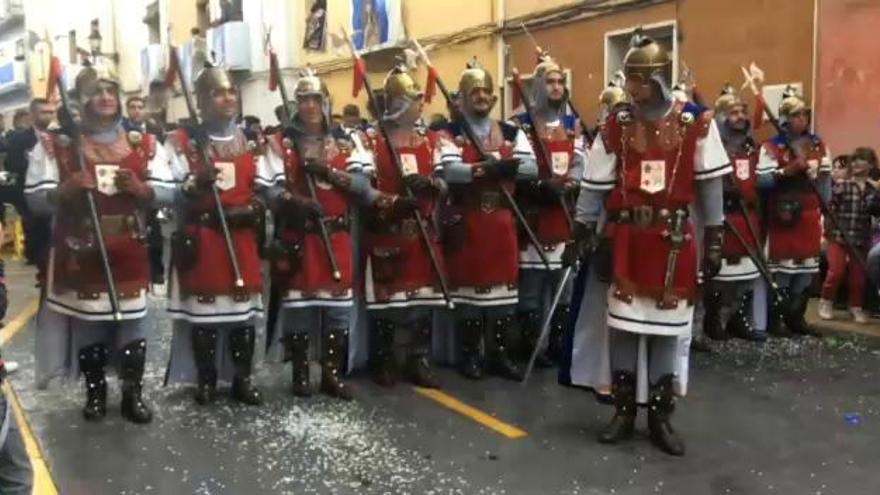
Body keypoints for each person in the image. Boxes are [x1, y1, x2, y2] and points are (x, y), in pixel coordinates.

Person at [567, 35, 729, 456]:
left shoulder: (696, 122)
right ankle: (623, 412)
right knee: (623, 328)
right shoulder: (617, 124)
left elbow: (711, 185)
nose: (629, 88)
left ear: (654, 79)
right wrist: (582, 229)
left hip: (674, 244)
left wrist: (715, 239)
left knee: (664, 334)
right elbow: (594, 183)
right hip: (628, 243)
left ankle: (659, 416)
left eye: (635, 80)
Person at [24, 61, 175, 423]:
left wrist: (141, 190)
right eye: (98, 92)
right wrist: (67, 189)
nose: (106, 98)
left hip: (129, 247)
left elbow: (170, 191)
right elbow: (34, 198)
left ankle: (132, 394)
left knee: (133, 324)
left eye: (112, 91)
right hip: (83, 249)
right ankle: (95, 393)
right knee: (90, 322)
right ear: (84, 100)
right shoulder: (57, 144)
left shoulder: (145, 142)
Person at [264, 70, 381, 400]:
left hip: (336, 234)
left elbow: (362, 187)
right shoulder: (281, 144)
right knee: (299, 307)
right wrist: (295, 201)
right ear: (296, 104)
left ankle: (330, 373)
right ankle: (300, 373)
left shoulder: (347, 141)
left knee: (337, 310)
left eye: (316, 99)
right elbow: (268, 190)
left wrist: (330, 172)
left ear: (326, 102)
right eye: (304, 100)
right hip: (300, 237)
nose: (311, 105)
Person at [164, 61, 275, 406]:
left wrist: (256, 208)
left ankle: (242, 378)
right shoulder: (183, 142)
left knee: (243, 317)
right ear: (202, 99)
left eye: (231, 91)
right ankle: (207, 379)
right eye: (218, 92)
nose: (227, 98)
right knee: (206, 317)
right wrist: (194, 184)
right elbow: (167, 190)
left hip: (241, 237)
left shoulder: (251, 141)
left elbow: (263, 187)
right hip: (205, 238)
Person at [437, 58, 538, 381]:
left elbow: (532, 168)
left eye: (486, 91)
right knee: (470, 293)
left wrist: (502, 168)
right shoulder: (449, 133)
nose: (481, 96)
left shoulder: (511, 131)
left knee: (503, 296)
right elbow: (449, 171)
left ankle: (500, 355)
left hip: (502, 221)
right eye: (474, 91)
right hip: (468, 219)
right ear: (462, 98)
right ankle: (471, 356)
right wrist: (485, 169)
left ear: (495, 98)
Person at [362, 64, 447, 388]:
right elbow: (363, 187)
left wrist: (431, 184)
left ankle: (418, 359)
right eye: (415, 97)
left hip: (422, 233)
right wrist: (392, 202)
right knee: (387, 304)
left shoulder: (429, 141)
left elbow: (446, 180)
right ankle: (383, 358)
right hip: (388, 232)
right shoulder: (370, 142)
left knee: (422, 304)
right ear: (399, 101)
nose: (421, 102)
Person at [511, 51, 584, 366]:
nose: (556, 87)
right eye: (550, 82)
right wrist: (542, 186)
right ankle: (529, 346)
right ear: (539, 86)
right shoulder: (522, 126)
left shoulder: (572, 125)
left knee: (564, 289)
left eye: (560, 82)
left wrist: (574, 183)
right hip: (535, 217)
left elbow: (581, 163)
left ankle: (557, 343)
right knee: (531, 290)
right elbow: (520, 172)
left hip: (564, 215)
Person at [756, 85, 831, 336]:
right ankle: (776, 318)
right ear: (786, 119)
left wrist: (826, 211)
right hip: (783, 215)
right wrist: (786, 171)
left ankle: (796, 318)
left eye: (804, 115)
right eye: (796, 115)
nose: (802, 119)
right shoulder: (771, 146)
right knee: (783, 271)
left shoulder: (817, 144)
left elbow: (824, 181)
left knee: (807, 271)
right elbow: (762, 181)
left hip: (810, 214)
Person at [702, 84, 766, 342]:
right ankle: (714, 320)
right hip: (725, 214)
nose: (740, 117)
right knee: (721, 275)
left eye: (742, 111)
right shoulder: (713, 145)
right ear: (721, 117)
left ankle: (737, 320)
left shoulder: (750, 144)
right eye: (733, 112)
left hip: (747, 213)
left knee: (746, 275)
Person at [818, 147, 880, 323]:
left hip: (861, 238)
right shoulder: (843, 185)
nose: (858, 163)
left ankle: (856, 306)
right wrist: (828, 232)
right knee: (835, 272)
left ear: (870, 164)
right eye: (856, 160)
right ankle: (826, 301)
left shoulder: (872, 189)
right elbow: (830, 209)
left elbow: (875, 212)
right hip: (838, 236)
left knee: (858, 276)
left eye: (863, 160)